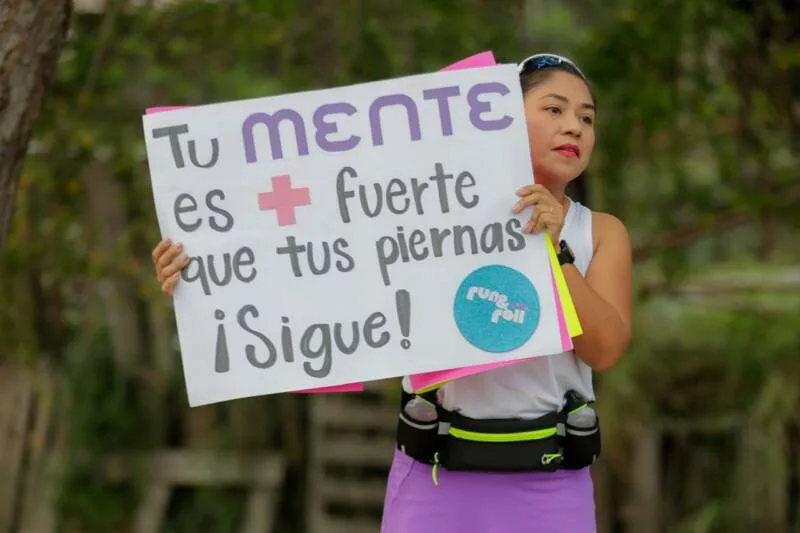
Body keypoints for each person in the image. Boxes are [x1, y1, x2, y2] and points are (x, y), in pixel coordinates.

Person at [151, 53, 632, 533]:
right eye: (554, 109)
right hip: (434, 481)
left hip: (550, 487)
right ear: (502, 116)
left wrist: (557, 252)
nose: (574, 127)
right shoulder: (424, 210)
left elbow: (605, 348)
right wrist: (206, 280)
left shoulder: (600, 233)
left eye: (587, 118)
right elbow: (312, 274)